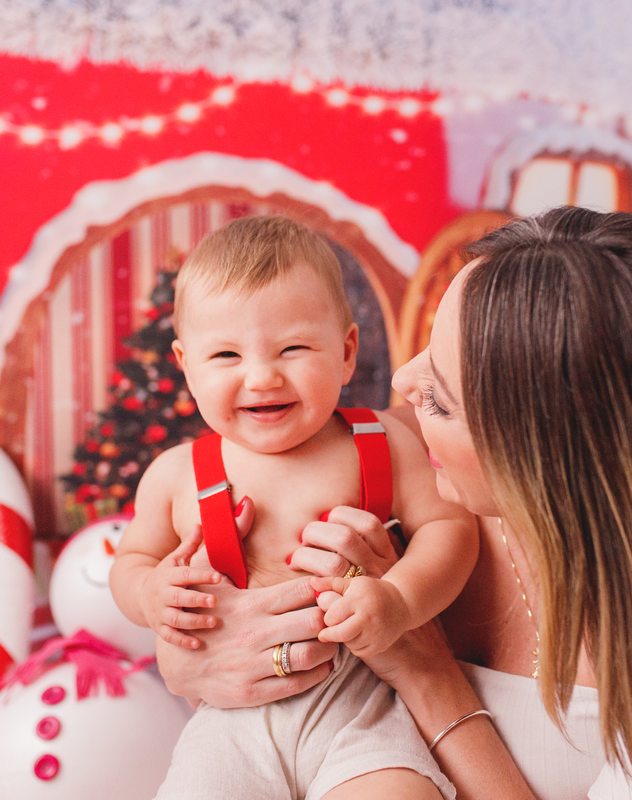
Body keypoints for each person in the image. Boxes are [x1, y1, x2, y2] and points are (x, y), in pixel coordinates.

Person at [155, 207, 632, 800]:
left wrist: (428, 676)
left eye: (442, 398)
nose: (399, 382)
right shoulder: (387, 472)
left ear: (546, 455)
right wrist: (193, 659)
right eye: (427, 353)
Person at [110, 215, 477, 800]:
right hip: (231, 721)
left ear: (347, 351)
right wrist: (149, 593)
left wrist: (400, 599)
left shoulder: (379, 444)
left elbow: (449, 529)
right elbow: (131, 559)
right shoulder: (177, 475)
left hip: (364, 708)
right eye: (226, 355)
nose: (261, 377)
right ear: (185, 366)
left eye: (294, 347)